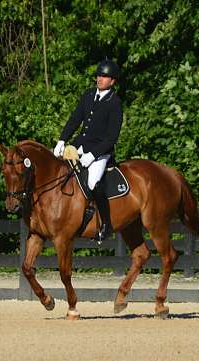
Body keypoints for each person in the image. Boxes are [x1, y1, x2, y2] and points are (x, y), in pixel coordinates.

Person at [53, 59, 123, 242]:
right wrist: (62, 140)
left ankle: (105, 225)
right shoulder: (88, 95)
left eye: (104, 76)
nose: (100, 79)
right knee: (61, 173)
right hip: (79, 147)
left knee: (92, 183)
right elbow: (75, 119)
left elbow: (111, 137)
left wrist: (93, 155)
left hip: (100, 153)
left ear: (112, 81)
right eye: (99, 75)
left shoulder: (114, 103)